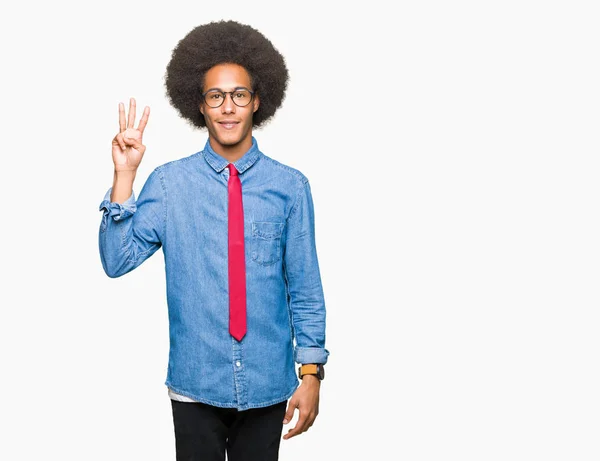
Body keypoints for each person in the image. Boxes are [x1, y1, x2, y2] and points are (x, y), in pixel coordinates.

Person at [98, 19, 329, 461]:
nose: (228, 107)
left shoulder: (291, 187)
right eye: (215, 96)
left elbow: (305, 288)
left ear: (257, 101)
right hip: (195, 382)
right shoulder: (168, 185)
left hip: (267, 386)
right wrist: (124, 176)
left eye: (239, 95)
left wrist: (312, 373)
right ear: (199, 106)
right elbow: (116, 260)